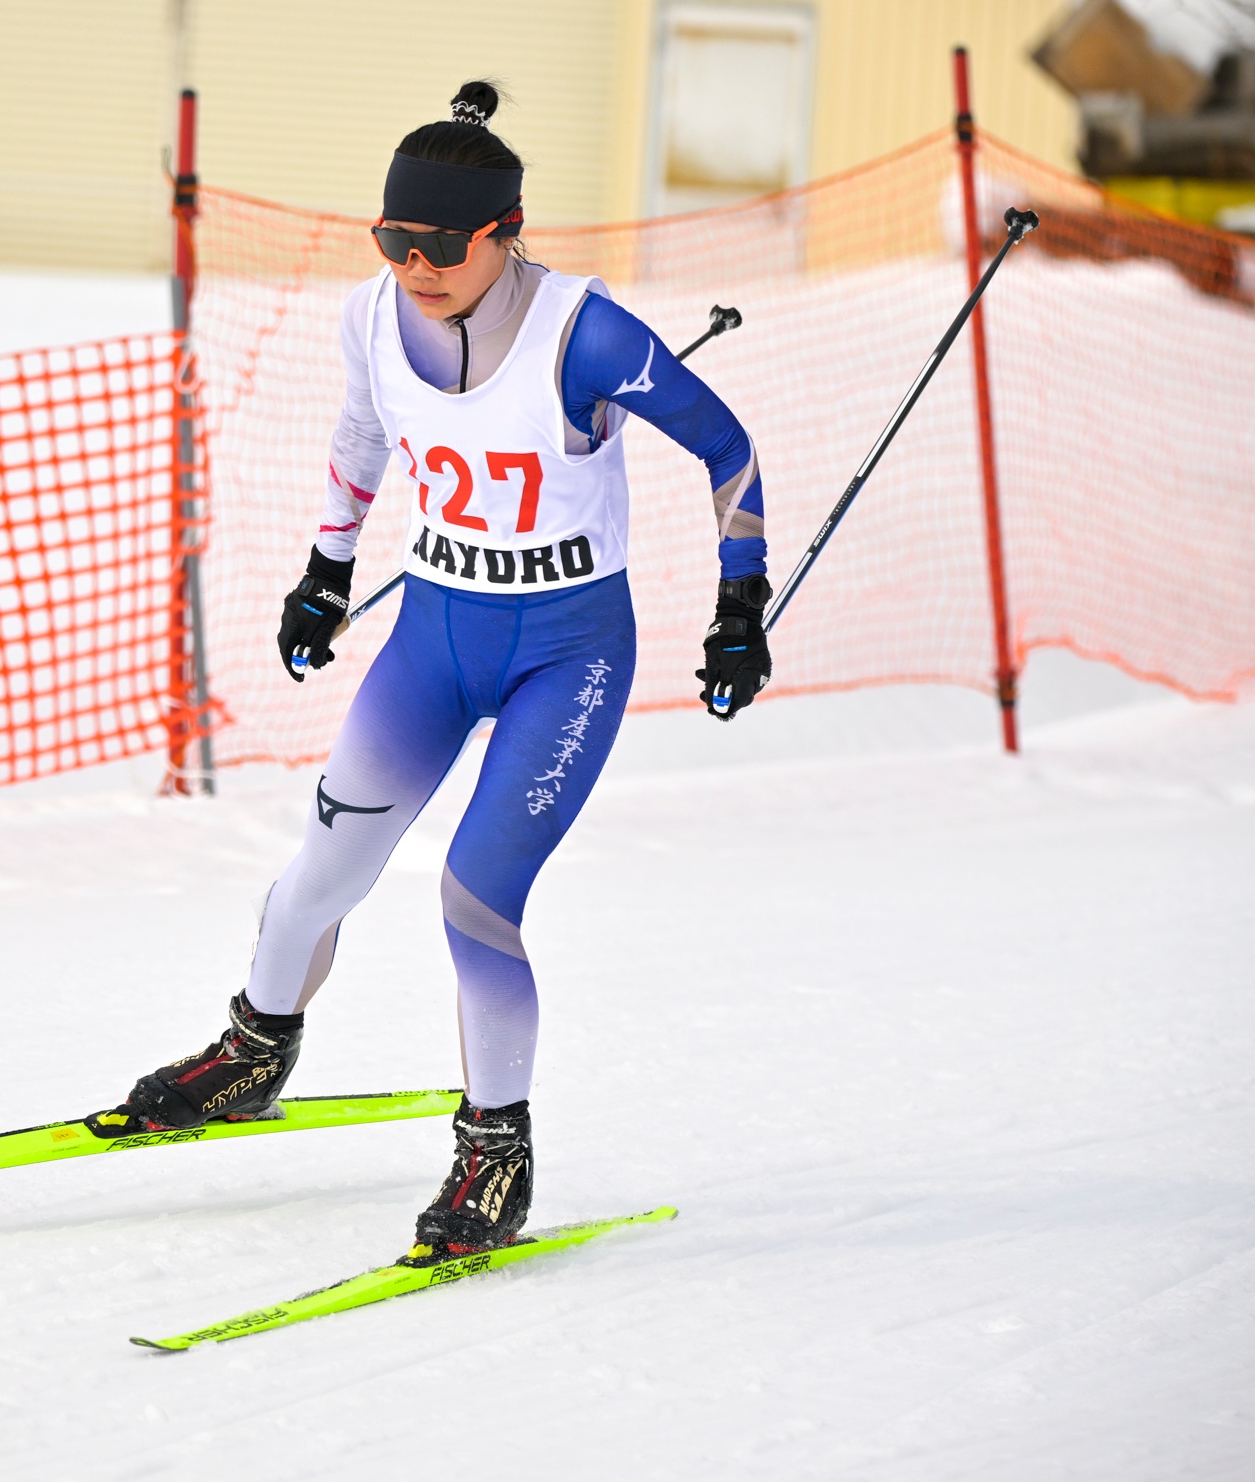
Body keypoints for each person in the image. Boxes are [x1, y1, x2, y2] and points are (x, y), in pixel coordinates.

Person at [89, 82, 773, 1263]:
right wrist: (325, 570)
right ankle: (252, 1053)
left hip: (567, 654)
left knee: (474, 896)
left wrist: (740, 602)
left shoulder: (585, 333)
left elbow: (728, 446)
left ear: (507, 231)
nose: (416, 268)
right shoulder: (370, 316)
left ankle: (495, 1152)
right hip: (435, 641)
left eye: (443, 246)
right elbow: (363, 435)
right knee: (322, 868)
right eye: (394, 241)